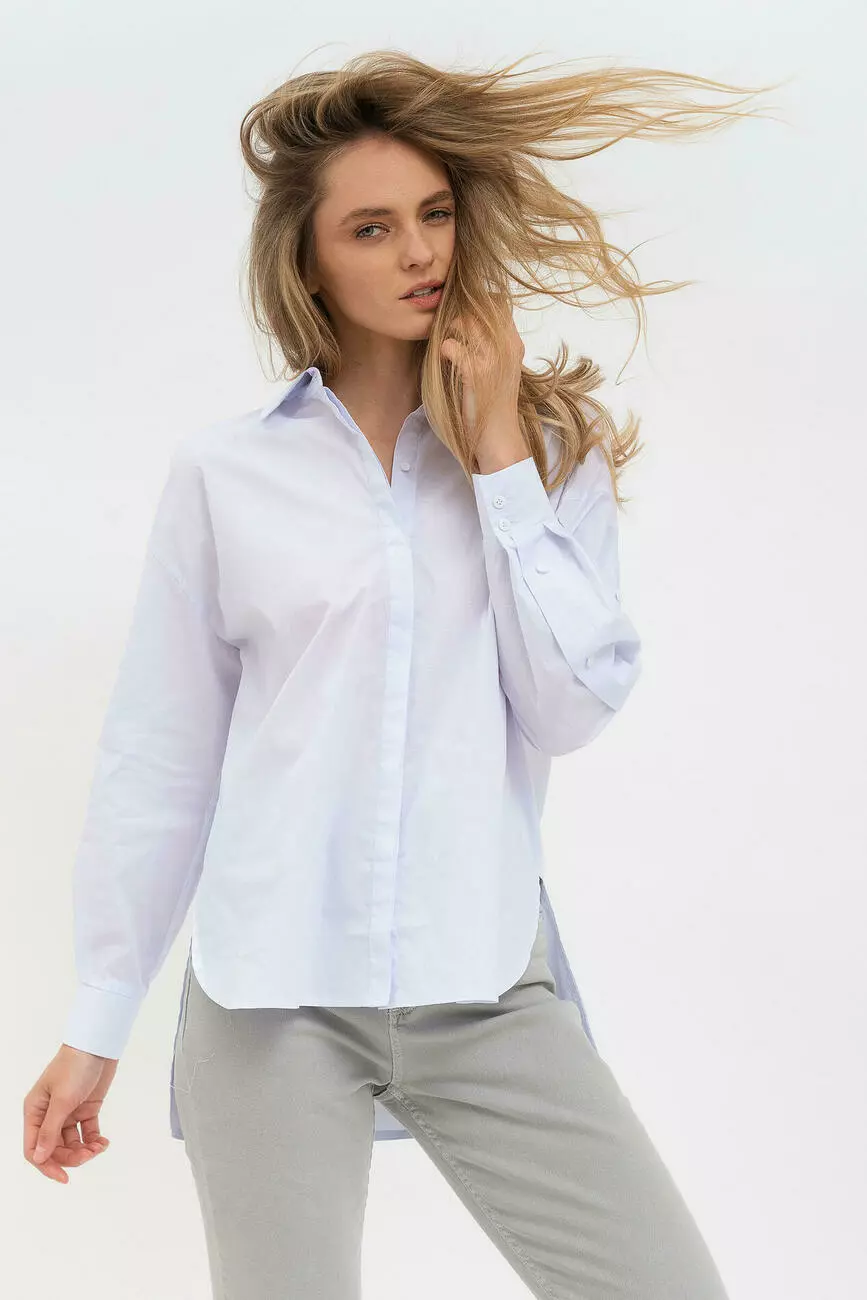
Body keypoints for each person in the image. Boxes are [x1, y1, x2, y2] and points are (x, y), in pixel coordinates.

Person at [24, 48, 783, 1298]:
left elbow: (569, 708)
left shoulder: (551, 454)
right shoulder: (227, 476)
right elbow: (161, 757)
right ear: (309, 260)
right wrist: (97, 1023)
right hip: (272, 1000)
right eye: (371, 228)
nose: (419, 252)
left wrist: (499, 461)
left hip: (485, 983)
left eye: (435, 215)